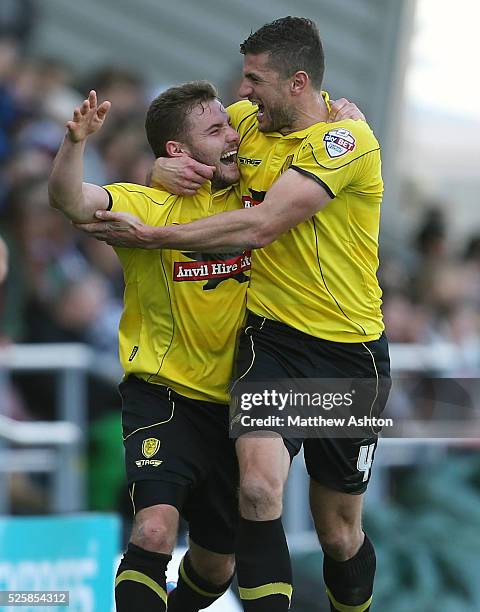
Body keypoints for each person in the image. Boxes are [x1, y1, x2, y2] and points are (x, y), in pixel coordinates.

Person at [79, 16, 391, 612]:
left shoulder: (346, 141)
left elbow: (263, 223)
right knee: (256, 487)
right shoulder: (247, 123)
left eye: (254, 80)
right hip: (271, 341)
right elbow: (193, 147)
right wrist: (159, 172)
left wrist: (155, 236)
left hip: (349, 354)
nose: (240, 94)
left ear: (297, 83)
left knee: (338, 533)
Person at [49, 82, 247, 612]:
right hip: (163, 396)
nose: (234, 135)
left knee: (215, 565)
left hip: (239, 405)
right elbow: (70, 200)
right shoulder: (145, 203)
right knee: (155, 531)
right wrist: (75, 143)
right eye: (216, 129)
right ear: (178, 151)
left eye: (229, 123)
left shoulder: (251, 198)